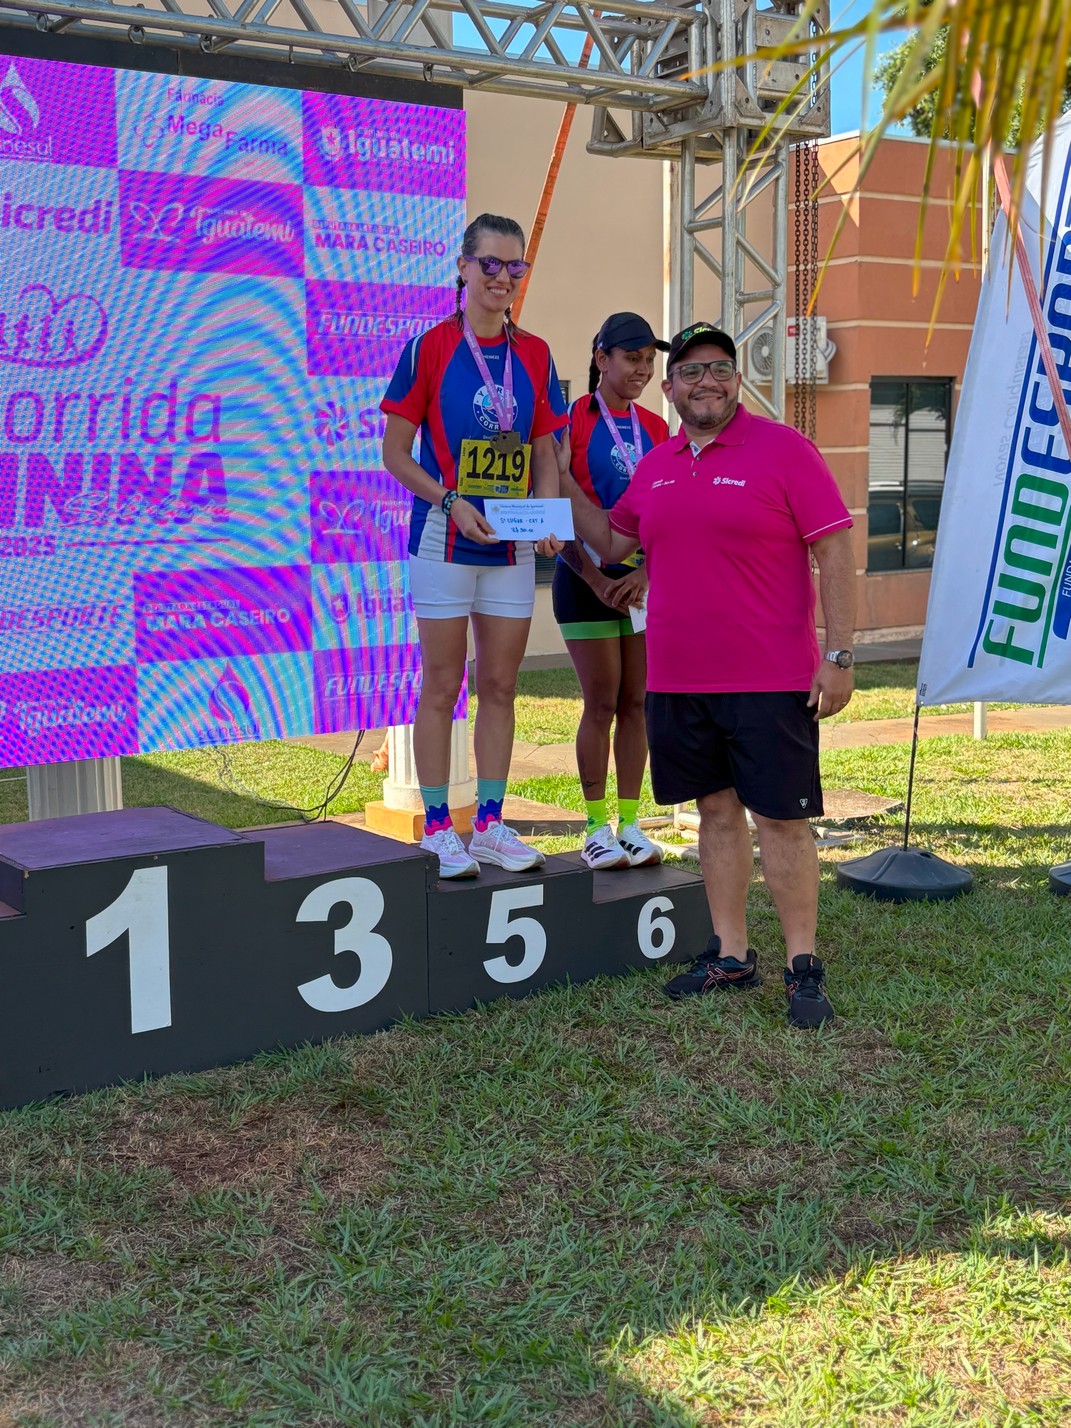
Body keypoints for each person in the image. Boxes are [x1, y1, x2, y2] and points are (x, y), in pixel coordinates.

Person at [558, 321, 855, 1028]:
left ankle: (801, 965)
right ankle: (730, 953)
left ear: (737, 380)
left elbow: (835, 554)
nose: (705, 382)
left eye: (718, 368)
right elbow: (608, 542)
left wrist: (838, 655)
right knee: (714, 815)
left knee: (780, 821)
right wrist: (556, 471)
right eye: (689, 372)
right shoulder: (656, 464)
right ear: (670, 389)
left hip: (768, 678)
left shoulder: (785, 451)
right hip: (677, 679)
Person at [381, 213, 567, 879]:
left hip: (511, 547)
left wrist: (546, 515)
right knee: (441, 683)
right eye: (489, 264)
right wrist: (449, 501)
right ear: (462, 267)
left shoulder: (536, 354)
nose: (502, 278)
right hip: (443, 539)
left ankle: (489, 823)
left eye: (514, 267)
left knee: (499, 684)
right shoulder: (428, 348)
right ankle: (438, 826)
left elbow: (545, 447)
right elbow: (395, 456)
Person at [553, 312, 669, 871]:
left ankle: (630, 823)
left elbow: (669, 514)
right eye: (631, 358)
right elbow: (556, 512)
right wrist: (598, 579)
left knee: (637, 703)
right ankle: (595, 827)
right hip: (583, 582)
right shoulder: (568, 423)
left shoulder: (657, 427)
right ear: (601, 359)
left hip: (644, 588)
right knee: (601, 702)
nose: (642, 369)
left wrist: (648, 575)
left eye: (649, 359)